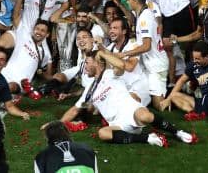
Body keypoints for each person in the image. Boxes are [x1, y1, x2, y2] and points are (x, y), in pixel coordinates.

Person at [58, 54, 196, 147]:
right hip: (118, 123)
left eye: (87, 63)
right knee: (103, 133)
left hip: (131, 110)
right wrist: (57, 124)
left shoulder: (109, 74)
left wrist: (103, 53)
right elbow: (76, 109)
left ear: (96, 63)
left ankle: (178, 133)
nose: (84, 67)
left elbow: (121, 66)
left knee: (146, 116)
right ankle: (147, 138)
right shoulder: (89, 90)